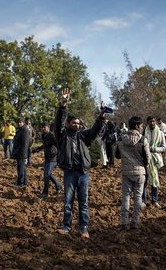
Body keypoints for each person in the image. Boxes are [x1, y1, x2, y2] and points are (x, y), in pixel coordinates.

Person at [55, 88, 106, 239]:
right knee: (68, 202)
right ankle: (66, 226)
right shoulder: (63, 136)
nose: (76, 125)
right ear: (69, 124)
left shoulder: (83, 136)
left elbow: (95, 130)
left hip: (83, 172)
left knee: (83, 202)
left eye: (78, 123)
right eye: (73, 123)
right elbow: (58, 123)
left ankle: (84, 229)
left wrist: (101, 116)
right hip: (70, 172)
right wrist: (63, 105)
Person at [116, 116, 150, 231]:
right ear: (136, 126)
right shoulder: (142, 139)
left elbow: (117, 155)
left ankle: (124, 223)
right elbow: (147, 159)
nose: (142, 128)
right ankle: (135, 222)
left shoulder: (121, 138)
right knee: (138, 197)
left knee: (126, 197)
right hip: (139, 172)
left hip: (126, 171)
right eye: (141, 126)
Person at [32, 122, 61, 196]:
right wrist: (37, 149)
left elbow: (58, 146)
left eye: (44, 127)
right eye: (41, 127)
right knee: (48, 173)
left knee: (46, 174)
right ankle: (58, 185)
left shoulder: (52, 135)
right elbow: (45, 145)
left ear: (48, 127)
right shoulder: (44, 135)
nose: (42, 128)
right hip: (47, 157)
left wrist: (59, 157)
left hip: (53, 158)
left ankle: (45, 192)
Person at [143, 116, 165, 208]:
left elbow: (164, 147)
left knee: (154, 180)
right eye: (150, 121)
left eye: (153, 121)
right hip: (144, 159)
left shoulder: (160, 133)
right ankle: (143, 201)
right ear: (147, 122)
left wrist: (154, 149)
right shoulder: (143, 132)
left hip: (155, 159)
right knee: (144, 180)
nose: (152, 123)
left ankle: (154, 200)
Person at [11, 118, 30, 187]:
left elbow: (25, 144)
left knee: (20, 168)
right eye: (18, 122)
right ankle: (25, 182)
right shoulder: (20, 130)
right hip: (19, 152)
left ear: (23, 122)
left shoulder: (25, 130)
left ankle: (20, 183)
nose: (19, 123)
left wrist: (23, 154)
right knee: (22, 168)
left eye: (20, 122)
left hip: (21, 153)